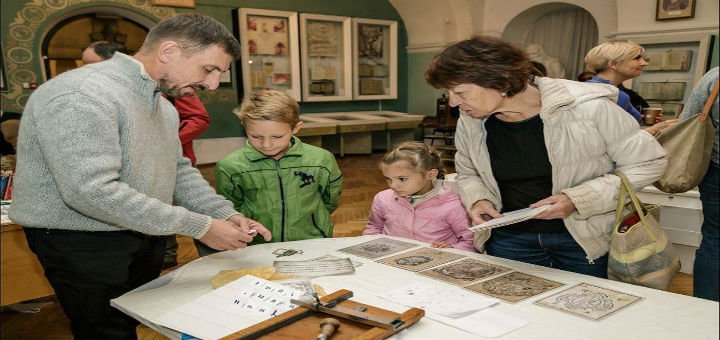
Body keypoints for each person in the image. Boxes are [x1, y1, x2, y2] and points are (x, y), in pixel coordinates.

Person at [9, 14, 271, 340]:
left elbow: (178, 172)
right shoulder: (80, 94)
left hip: (143, 231)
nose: (212, 84)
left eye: (219, 73)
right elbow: (91, 191)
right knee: (106, 331)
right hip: (82, 240)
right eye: (209, 69)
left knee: (131, 320)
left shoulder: (164, 107)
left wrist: (225, 215)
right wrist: (201, 226)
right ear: (169, 51)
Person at [424, 36, 667, 277]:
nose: (454, 103)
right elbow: (469, 172)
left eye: (460, 93)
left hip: (583, 238)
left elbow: (648, 163)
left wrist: (577, 200)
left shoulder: (588, 108)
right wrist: (479, 200)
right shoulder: (471, 121)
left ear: (500, 81)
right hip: (508, 238)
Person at [81, 41, 212, 268]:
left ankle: (167, 252)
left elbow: (199, 119)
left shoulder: (172, 85)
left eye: (94, 65)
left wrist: (164, 142)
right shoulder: (91, 95)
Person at [197, 90, 342, 256]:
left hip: (313, 240)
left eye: (277, 136)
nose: (267, 144)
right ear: (244, 127)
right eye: (256, 136)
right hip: (257, 246)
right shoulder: (229, 166)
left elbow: (330, 199)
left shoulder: (321, 160)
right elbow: (231, 207)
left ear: (296, 128)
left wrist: (313, 221)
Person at [364, 141, 475, 252]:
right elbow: (374, 227)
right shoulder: (382, 198)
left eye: (402, 179)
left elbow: (471, 242)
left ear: (430, 175)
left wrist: (452, 249)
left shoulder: (453, 205)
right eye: (389, 179)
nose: (393, 185)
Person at [678, 67, 719, 301]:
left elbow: (689, 121)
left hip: (717, 170)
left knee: (715, 238)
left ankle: (707, 307)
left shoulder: (714, 77)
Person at [584, 41, 676, 135]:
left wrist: (642, 121)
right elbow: (617, 138)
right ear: (613, 64)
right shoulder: (614, 95)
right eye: (637, 58)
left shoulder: (586, 88)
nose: (644, 63)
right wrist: (654, 129)